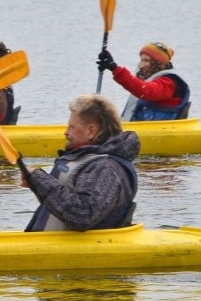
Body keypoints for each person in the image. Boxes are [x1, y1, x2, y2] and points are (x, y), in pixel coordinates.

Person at [23, 94, 139, 232]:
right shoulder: (87, 161)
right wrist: (36, 184)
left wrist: (39, 180)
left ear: (91, 131)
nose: (66, 133)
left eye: (72, 127)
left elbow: (83, 214)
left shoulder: (107, 169)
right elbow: (61, 205)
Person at [97, 41, 191, 121]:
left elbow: (145, 90)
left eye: (146, 61)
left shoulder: (169, 83)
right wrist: (110, 66)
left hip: (158, 132)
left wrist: (115, 68)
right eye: (141, 60)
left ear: (159, 63)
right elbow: (138, 86)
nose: (142, 65)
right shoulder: (151, 81)